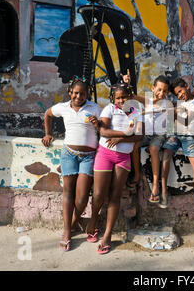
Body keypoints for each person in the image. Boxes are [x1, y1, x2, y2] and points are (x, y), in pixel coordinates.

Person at [42, 76, 101, 251]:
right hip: (69, 154)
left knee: (82, 198)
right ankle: (67, 231)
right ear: (70, 93)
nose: (78, 96)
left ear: (87, 94)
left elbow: (104, 127)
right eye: (75, 93)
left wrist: (97, 125)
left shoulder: (94, 108)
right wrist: (47, 133)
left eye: (82, 94)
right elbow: (47, 114)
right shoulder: (63, 108)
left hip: (88, 156)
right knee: (68, 192)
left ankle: (74, 222)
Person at [85, 82, 144, 254]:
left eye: (124, 97)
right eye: (118, 98)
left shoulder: (136, 113)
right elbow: (103, 132)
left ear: (130, 97)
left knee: (115, 196)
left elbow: (139, 135)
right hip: (105, 154)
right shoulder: (109, 109)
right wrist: (126, 134)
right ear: (113, 98)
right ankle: (93, 219)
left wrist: (122, 139)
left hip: (123, 158)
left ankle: (107, 236)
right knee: (98, 194)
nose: (121, 101)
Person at [122, 72, 171, 205]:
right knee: (134, 145)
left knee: (153, 149)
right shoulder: (147, 100)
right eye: (159, 89)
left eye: (165, 91)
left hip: (159, 135)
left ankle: (155, 184)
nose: (162, 93)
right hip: (146, 134)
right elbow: (131, 96)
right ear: (152, 88)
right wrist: (127, 84)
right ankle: (136, 174)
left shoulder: (167, 104)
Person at [159, 78, 194, 217]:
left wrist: (174, 113)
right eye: (177, 94)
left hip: (189, 137)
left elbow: (187, 120)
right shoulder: (178, 103)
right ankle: (163, 192)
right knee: (166, 155)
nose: (180, 95)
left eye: (180, 91)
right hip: (176, 135)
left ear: (187, 86)